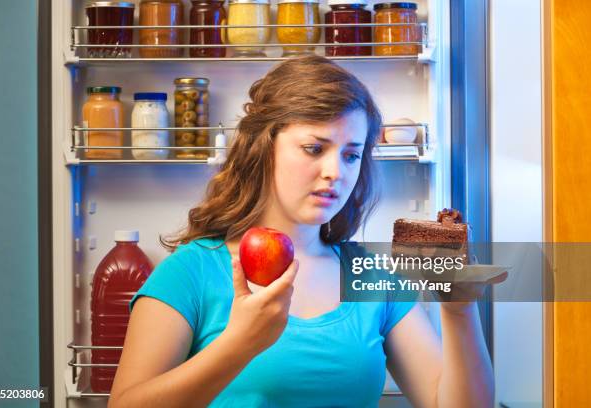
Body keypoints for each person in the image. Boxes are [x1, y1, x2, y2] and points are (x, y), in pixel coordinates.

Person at [108, 55, 496, 408]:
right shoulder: (192, 271)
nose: (336, 172)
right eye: (314, 148)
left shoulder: (371, 276)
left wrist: (459, 309)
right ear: (264, 148)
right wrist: (239, 345)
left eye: (351, 155)